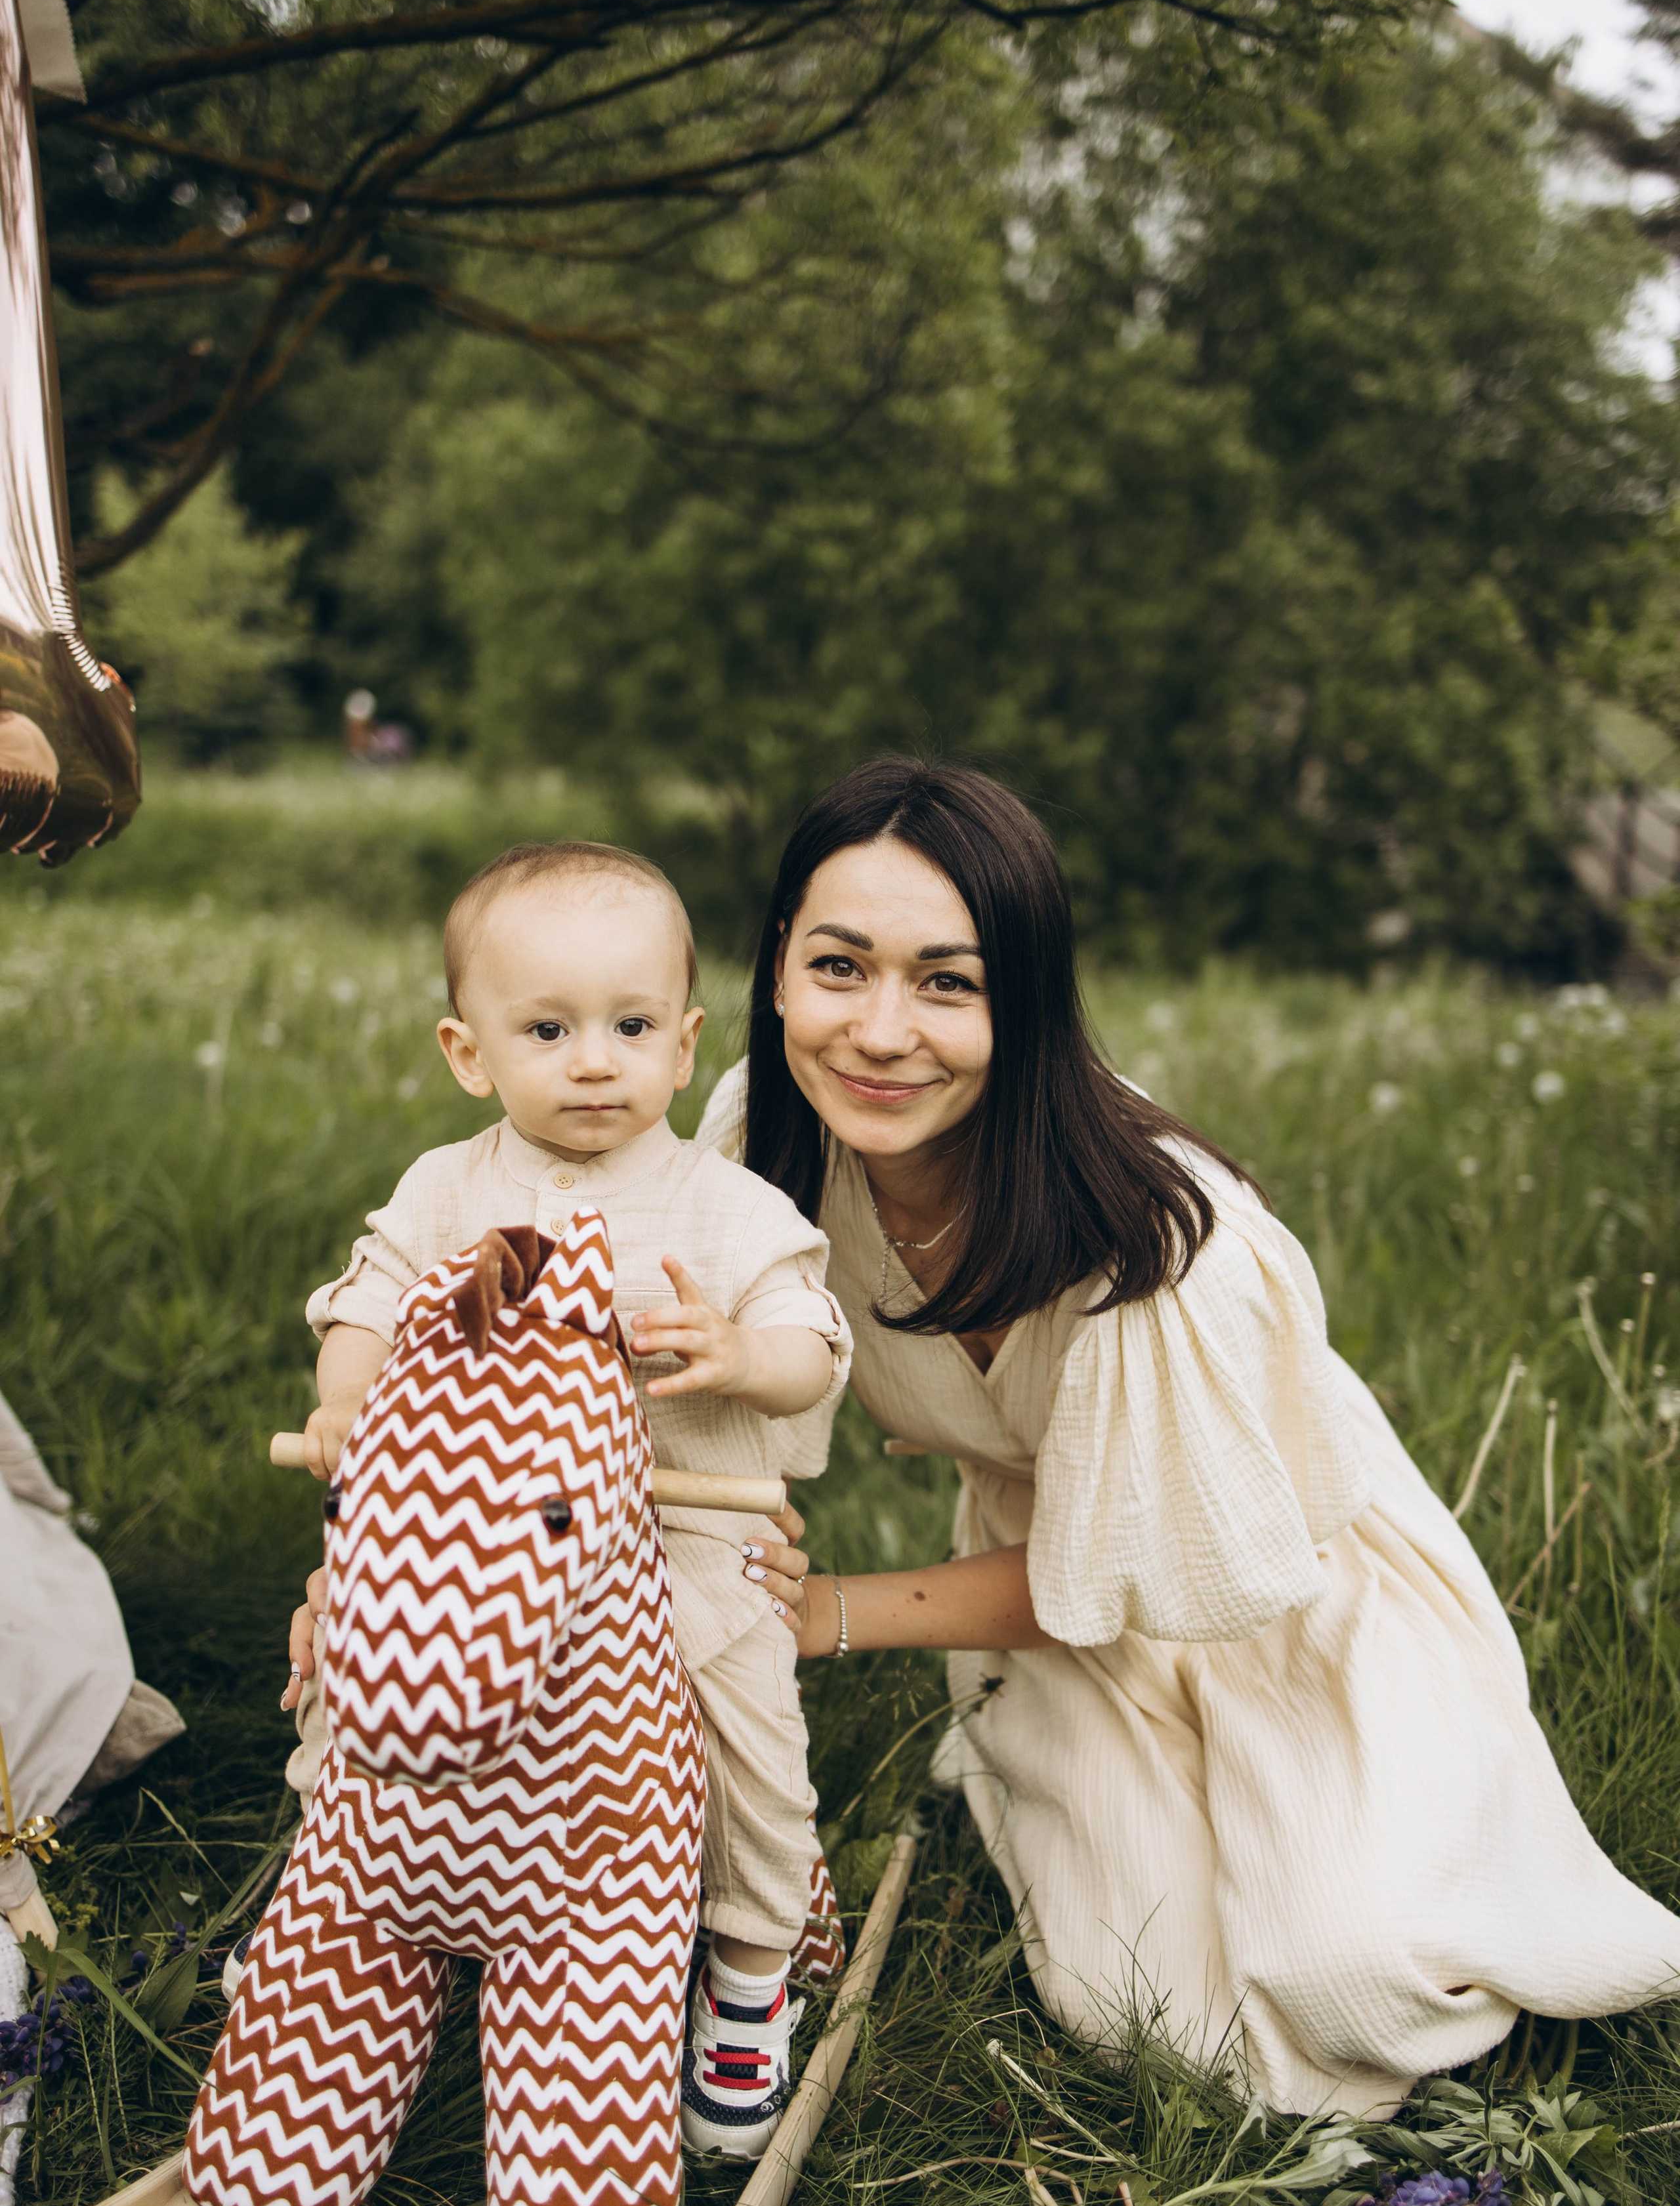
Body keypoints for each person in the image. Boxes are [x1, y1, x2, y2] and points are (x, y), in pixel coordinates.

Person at [689, 758, 1680, 2119]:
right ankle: (1029, 1768)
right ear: (777, 971)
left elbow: (1144, 1572)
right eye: (838, 965)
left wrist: (830, 1611)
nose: (876, 1030)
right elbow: (696, 1412)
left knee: (1355, 1983)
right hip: (1045, 1566)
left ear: (1023, 1001)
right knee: (1151, 2013)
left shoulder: (1151, 1246)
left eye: (947, 982)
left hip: (1278, 1584)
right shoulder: (758, 1140)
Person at [285, 840, 852, 2157]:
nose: (594, 1059)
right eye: (548, 1029)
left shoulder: (724, 1205)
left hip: (683, 1536)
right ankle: (369, 1914)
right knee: (363, 1681)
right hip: (478, 1544)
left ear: (686, 1044)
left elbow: (809, 1337)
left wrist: (738, 1357)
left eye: (630, 1026)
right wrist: (346, 1405)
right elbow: (367, 1306)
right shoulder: (448, 1189)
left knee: (742, 1729)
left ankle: (748, 1965)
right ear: (468, 1051)